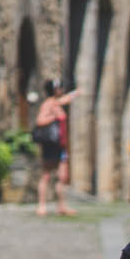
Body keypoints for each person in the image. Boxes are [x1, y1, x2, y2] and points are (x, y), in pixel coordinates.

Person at [34, 79, 80, 217]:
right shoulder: (48, 104)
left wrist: (76, 93)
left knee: (62, 177)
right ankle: (41, 206)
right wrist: (53, 117)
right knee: (46, 175)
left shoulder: (56, 103)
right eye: (59, 88)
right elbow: (39, 121)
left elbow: (66, 99)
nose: (61, 90)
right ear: (53, 90)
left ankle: (62, 206)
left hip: (61, 145)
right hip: (51, 145)